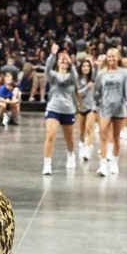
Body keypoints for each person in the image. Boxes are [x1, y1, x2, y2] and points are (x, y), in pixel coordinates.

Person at [95, 49, 127, 176]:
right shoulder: (101, 74)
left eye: (113, 57)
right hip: (105, 107)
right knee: (103, 134)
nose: (111, 59)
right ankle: (103, 165)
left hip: (119, 107)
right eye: (109, 57)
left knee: (116, 137)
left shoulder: (124, 73)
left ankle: (114, 162)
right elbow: (97, 90)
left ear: (118, 58)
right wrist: (97, 103)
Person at [41, 43, 78, 175]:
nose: (63, 61)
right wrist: (53, 54)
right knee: (50, 135)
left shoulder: (71, 76)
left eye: (65, 60)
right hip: (54, 108)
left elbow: (75, 76)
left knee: (69, 139)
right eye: (61, 60)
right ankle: (47, 164)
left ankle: (71, 154)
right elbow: (47, 68)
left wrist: (70, 61)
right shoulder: (53, 75)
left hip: (68, 110)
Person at [76, 59, 98, 162]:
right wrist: (86, 87)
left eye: (88, 66)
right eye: (84, 66)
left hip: (91, 107)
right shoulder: (77, 80)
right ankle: (82, 144)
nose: (86, 68)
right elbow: (77, 93)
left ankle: (88, 149)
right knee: (81, 130)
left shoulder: (93, 79)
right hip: (81, 107)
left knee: (90, 128)